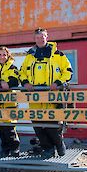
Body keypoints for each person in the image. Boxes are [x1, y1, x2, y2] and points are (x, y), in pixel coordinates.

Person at [20, 28, 73, 157]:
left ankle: (59, 145)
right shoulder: (30, 56)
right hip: (35, 97)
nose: (40, 39)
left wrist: (58, 83)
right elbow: (22, 72)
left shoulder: (58, 55)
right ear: (34, 39)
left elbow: (68, 72)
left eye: (42, 36)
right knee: (38, 125)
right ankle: (48, 149)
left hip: (52, 96)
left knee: (52, 125)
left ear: (47, 37)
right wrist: (25, 83)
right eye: (37, 37)